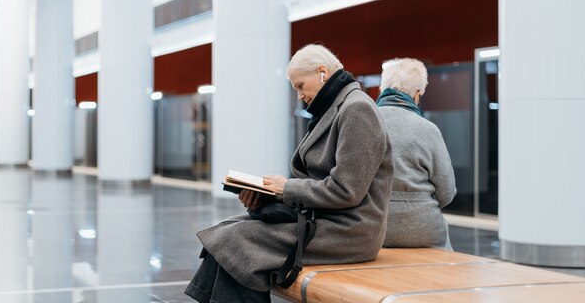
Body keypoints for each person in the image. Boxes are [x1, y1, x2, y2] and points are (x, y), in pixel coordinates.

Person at [185, 44, 394, 302]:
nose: (299, 95)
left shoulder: (357, 110)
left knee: (236, 241)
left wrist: (285, 188)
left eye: (300, 86)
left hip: (349, 231)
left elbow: (346, 190)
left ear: (321, 73)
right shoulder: (334, 108)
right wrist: (268, 195)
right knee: (226, 231)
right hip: (324, 220)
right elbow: (319, 183)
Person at [376, 58, 456, 249]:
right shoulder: (428, 130)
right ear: (417, 94)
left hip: (372, 226)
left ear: (382, 89)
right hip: (423, 230)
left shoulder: (362, 122)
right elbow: (447, 191)